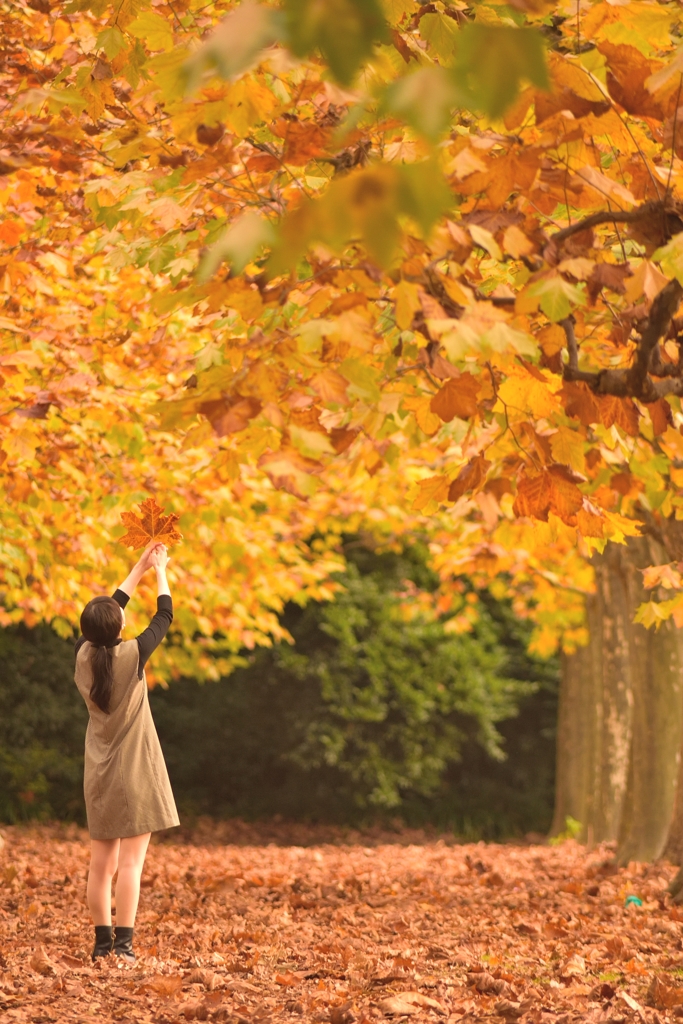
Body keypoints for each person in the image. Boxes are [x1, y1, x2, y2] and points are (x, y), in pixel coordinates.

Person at [74, 541, 179, 963]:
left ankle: (102, 946)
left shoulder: (83, 656)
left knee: (102, 865)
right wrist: (160, 569)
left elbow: (108, 617)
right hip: (135, 769)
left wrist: (138, 567)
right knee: (131, 864)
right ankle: (125, 946)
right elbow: (164, 615)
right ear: (118, 629)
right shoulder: (134, 653)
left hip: (98, 771)